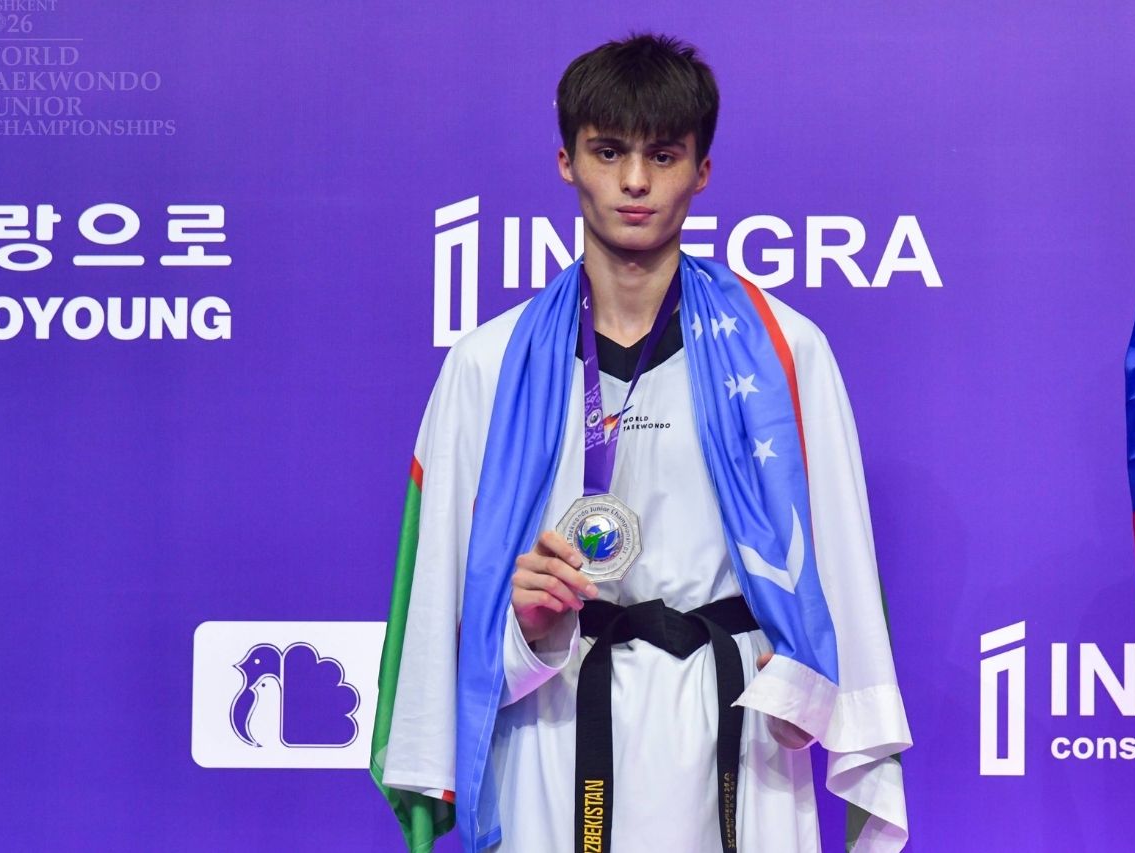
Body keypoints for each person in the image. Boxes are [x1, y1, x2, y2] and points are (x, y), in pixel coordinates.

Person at [370, 33, 911, 853]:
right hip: (555, 730)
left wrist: (815, 690)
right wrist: (525, 625)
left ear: (702, 171)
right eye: (608, 151)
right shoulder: (488, 364)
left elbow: (841, 570)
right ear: (566, 162)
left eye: (662, 155)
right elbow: (440, 616)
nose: (634, 181)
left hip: (738, 734)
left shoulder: (785, 351)